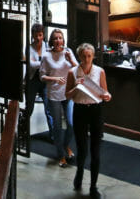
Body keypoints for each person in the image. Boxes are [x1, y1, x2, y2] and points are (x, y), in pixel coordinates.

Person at [66, 43, 111, 199]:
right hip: (80, 110)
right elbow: (67, 95)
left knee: (96, 149)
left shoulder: (100, 71)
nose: (86, 59)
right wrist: (76, 87)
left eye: (89, 56)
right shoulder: (73, 72)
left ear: (93, 56)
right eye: (84, 56)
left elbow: (105, 92)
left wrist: (107, 96)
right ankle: (79, 172)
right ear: (79, 57)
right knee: (82, 147)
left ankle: (93, 185)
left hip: (95, 111)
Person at [39, 28, 77, 168]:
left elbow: (78, 69)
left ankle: (66, 145)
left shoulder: (68, 52)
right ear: (51, 41)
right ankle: (61, 155)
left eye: (60, 38)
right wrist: (54, 78)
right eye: (55, 38)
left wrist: (70, 60)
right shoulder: (46, 56)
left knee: (71, 123)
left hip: (68, 93)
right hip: (54, 94)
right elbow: (41, 76)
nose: (58, 40)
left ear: (63, 39)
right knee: (57, 126)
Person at [24, 23, 54, 137]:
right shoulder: (29, 47)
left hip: (45, 81)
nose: (38, 38)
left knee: (48, 108)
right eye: (35, 35)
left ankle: (53, 135)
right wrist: (44, 62)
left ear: (43, 35)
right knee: (29, 108)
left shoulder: (47, 47)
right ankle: (24, 132)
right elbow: (31, 65)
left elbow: (50, 63)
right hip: (32, 80)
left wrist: (41, 63)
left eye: (40, 35)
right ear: (32, 35)